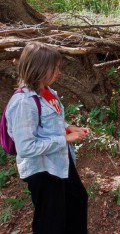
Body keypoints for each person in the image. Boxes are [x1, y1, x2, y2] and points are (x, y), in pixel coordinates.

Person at [5, 42, 89, 234]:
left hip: (59, 162)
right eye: (55, 67)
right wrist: (65, 139)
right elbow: (26, 147)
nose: (59, 72)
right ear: (40, 69)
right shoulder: (23, 103)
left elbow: (50, 123)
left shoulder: (47, 92)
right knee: (51, 220)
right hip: (42, 170)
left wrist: (68, 128)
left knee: (77, 201)